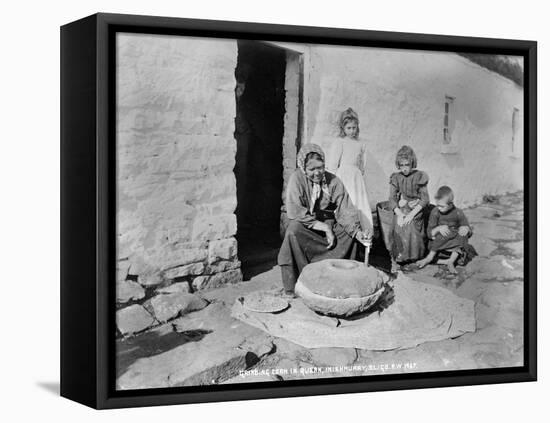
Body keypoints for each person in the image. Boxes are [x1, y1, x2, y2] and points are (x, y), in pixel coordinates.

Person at [277, 143, 372, 297]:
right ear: (303, 168)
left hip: (329, 223)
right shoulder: (297, 179)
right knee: (293, 231)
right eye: (312, 169)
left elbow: (345, 209)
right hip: (307, 225)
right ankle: (298, 284)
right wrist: (323, 227)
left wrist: (357, 232)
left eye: (320, 167)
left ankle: (345, 281)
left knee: (349, 235)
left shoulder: (333, 181)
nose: (317, 173)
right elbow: (295, 210)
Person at [326, 108, 373, 230]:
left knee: (358, 202)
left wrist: (359, 172)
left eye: (354, 128)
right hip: (343, 177)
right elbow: (332, 166)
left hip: (356, 179)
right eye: (349, 128)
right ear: (343, 128)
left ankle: (363, 231)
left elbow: (362, 165)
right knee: (346, 202)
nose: (352, 131)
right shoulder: (340, 142)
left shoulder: (360, 144)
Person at [385, 145, 430, 272]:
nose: (405, 168)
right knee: (398, 224)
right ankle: (399, 257)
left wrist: (411, 215)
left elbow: (425, 199)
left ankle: (414, 257)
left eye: (407, 165)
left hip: (416, 209)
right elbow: (392, 199)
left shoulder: (419, 176)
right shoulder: (396, 177)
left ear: (412, 163)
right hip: (402, 208)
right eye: (402, 165)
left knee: (410, 225)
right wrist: (399, 213)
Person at [417, 186, 477, 274]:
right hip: (437, 243)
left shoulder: (458, 212)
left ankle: (450, 261)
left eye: (442, 206)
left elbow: (468, 230)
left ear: (450, 204)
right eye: (437, 205)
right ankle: (429, 258)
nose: (439, 208)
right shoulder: (435, 212)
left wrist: (466, 228)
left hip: (453, 242)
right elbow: (429, 233)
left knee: (462, 236)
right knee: (441, 235)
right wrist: (438, 228)